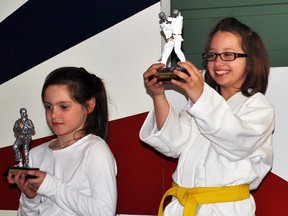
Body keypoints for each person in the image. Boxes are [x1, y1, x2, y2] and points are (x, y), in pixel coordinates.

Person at [140, 17, 274, 216]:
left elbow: (236, 141)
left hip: (224, 209)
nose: (218, 62)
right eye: (212, 55)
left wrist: (200, 95)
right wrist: (158, 95)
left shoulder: (258, 106)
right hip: (183, 205)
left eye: (228, 54)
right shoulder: (200, 105)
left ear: (251, 61)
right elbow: (175, 143)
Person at [7, 67, 117, 215]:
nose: (54, 115)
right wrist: (30, 198)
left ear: (89, 106)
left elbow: (104, 212)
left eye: (63, 107)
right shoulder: (35, 154)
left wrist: (50, 185)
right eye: (48, 107)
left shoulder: (95, 150)